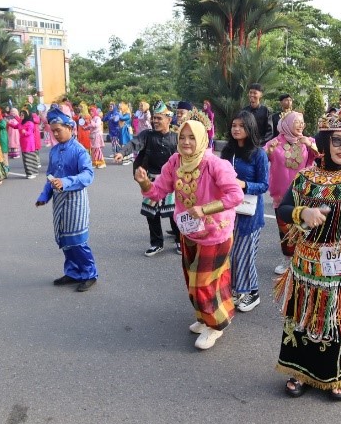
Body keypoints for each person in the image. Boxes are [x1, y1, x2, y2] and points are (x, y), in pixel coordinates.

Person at [274, 108, 341, 401]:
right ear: (324, 142)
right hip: (309, 263)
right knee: (304, 319)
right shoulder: (306, 177)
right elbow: (282, 208)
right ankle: (300, 372)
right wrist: (301, 211)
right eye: (337, 141)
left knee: (339, 320)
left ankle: (336, 376)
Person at [134, 114, 243, 350]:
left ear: (202, 139)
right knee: (192, 280)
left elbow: (236, 196)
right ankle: (206, 317)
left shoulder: (214, 164)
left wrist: (204, 209)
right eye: (182, 137)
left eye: (192, 138)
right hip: (189, 231)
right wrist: (144, 182)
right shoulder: (175, 162)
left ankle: (215, 326)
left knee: (205, 282)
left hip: (215, 233)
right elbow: (157, 192)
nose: (185, 142)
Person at [36, 105, 98, 293]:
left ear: (70, 128)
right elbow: (50, 176)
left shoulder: (79, 151)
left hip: (76, 201)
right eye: (53, 131)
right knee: (64, 239)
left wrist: (66, 181)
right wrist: (44, 196)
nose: (55, 134)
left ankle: (89, 273)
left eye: (59, 130)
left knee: (77, 240)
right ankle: (73, 272)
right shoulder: (54, 151)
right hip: (59, 202)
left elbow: (88, 175)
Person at [115, 101, 181, 256]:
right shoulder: (147, 135)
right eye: (154, 118)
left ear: (168, 119)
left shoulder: (176, 138)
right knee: (152, 213)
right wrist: (122, 153)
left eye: (159, 118)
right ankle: (157, 243)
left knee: (174, 212)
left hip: (171, 181)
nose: (155, 121)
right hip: (150, 180)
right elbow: (133, 143)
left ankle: (179, 240)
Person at [221, 111, 269, 312]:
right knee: (230, 254)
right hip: (228, 211)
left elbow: (264, 185)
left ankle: (252, 293)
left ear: (249, 129)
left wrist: (244, 184)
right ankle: (238, 291)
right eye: (234, 125)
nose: (236, 129)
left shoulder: (259, 154)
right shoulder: (227, 152)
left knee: (244, 254)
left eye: (241, 126)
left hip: (249, 214)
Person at [264, 111, 318, 275]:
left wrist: (309, 145)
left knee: (303, 228)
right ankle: (287, 260)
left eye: (302, 122)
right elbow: (261, 159)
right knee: (285, 230)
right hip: (281, 195)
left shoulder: (308, 141)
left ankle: (302, 259)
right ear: (287, 123)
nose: (301, 125)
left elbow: (319, 158)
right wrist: (267, 152)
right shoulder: (274, 142)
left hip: (303, 193)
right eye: (297, 122)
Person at [8, 109, 39, 179]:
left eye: (22, 115)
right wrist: (9, 123)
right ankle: (29, 173)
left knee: (29, 157)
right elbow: (15, 126)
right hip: (23, 142)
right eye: (20, 115)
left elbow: (30, 132)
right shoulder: (21, 122)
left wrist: (25, 132)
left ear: (26, 115)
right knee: (25, 158)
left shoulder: (30, 123)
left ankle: (31, 173)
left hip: (29, 143)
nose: (21, 116)